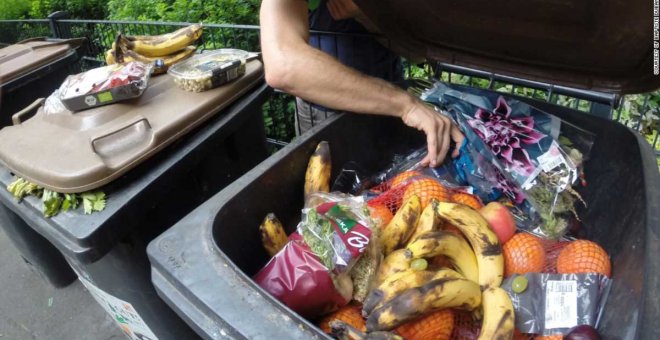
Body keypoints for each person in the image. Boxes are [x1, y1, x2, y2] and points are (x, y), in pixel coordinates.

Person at [260, 0, 464, 167]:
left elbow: (418, 55)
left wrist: (366, 15)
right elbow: (283, 65)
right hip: (324, 110)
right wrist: (407, 105)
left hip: (391, 101)